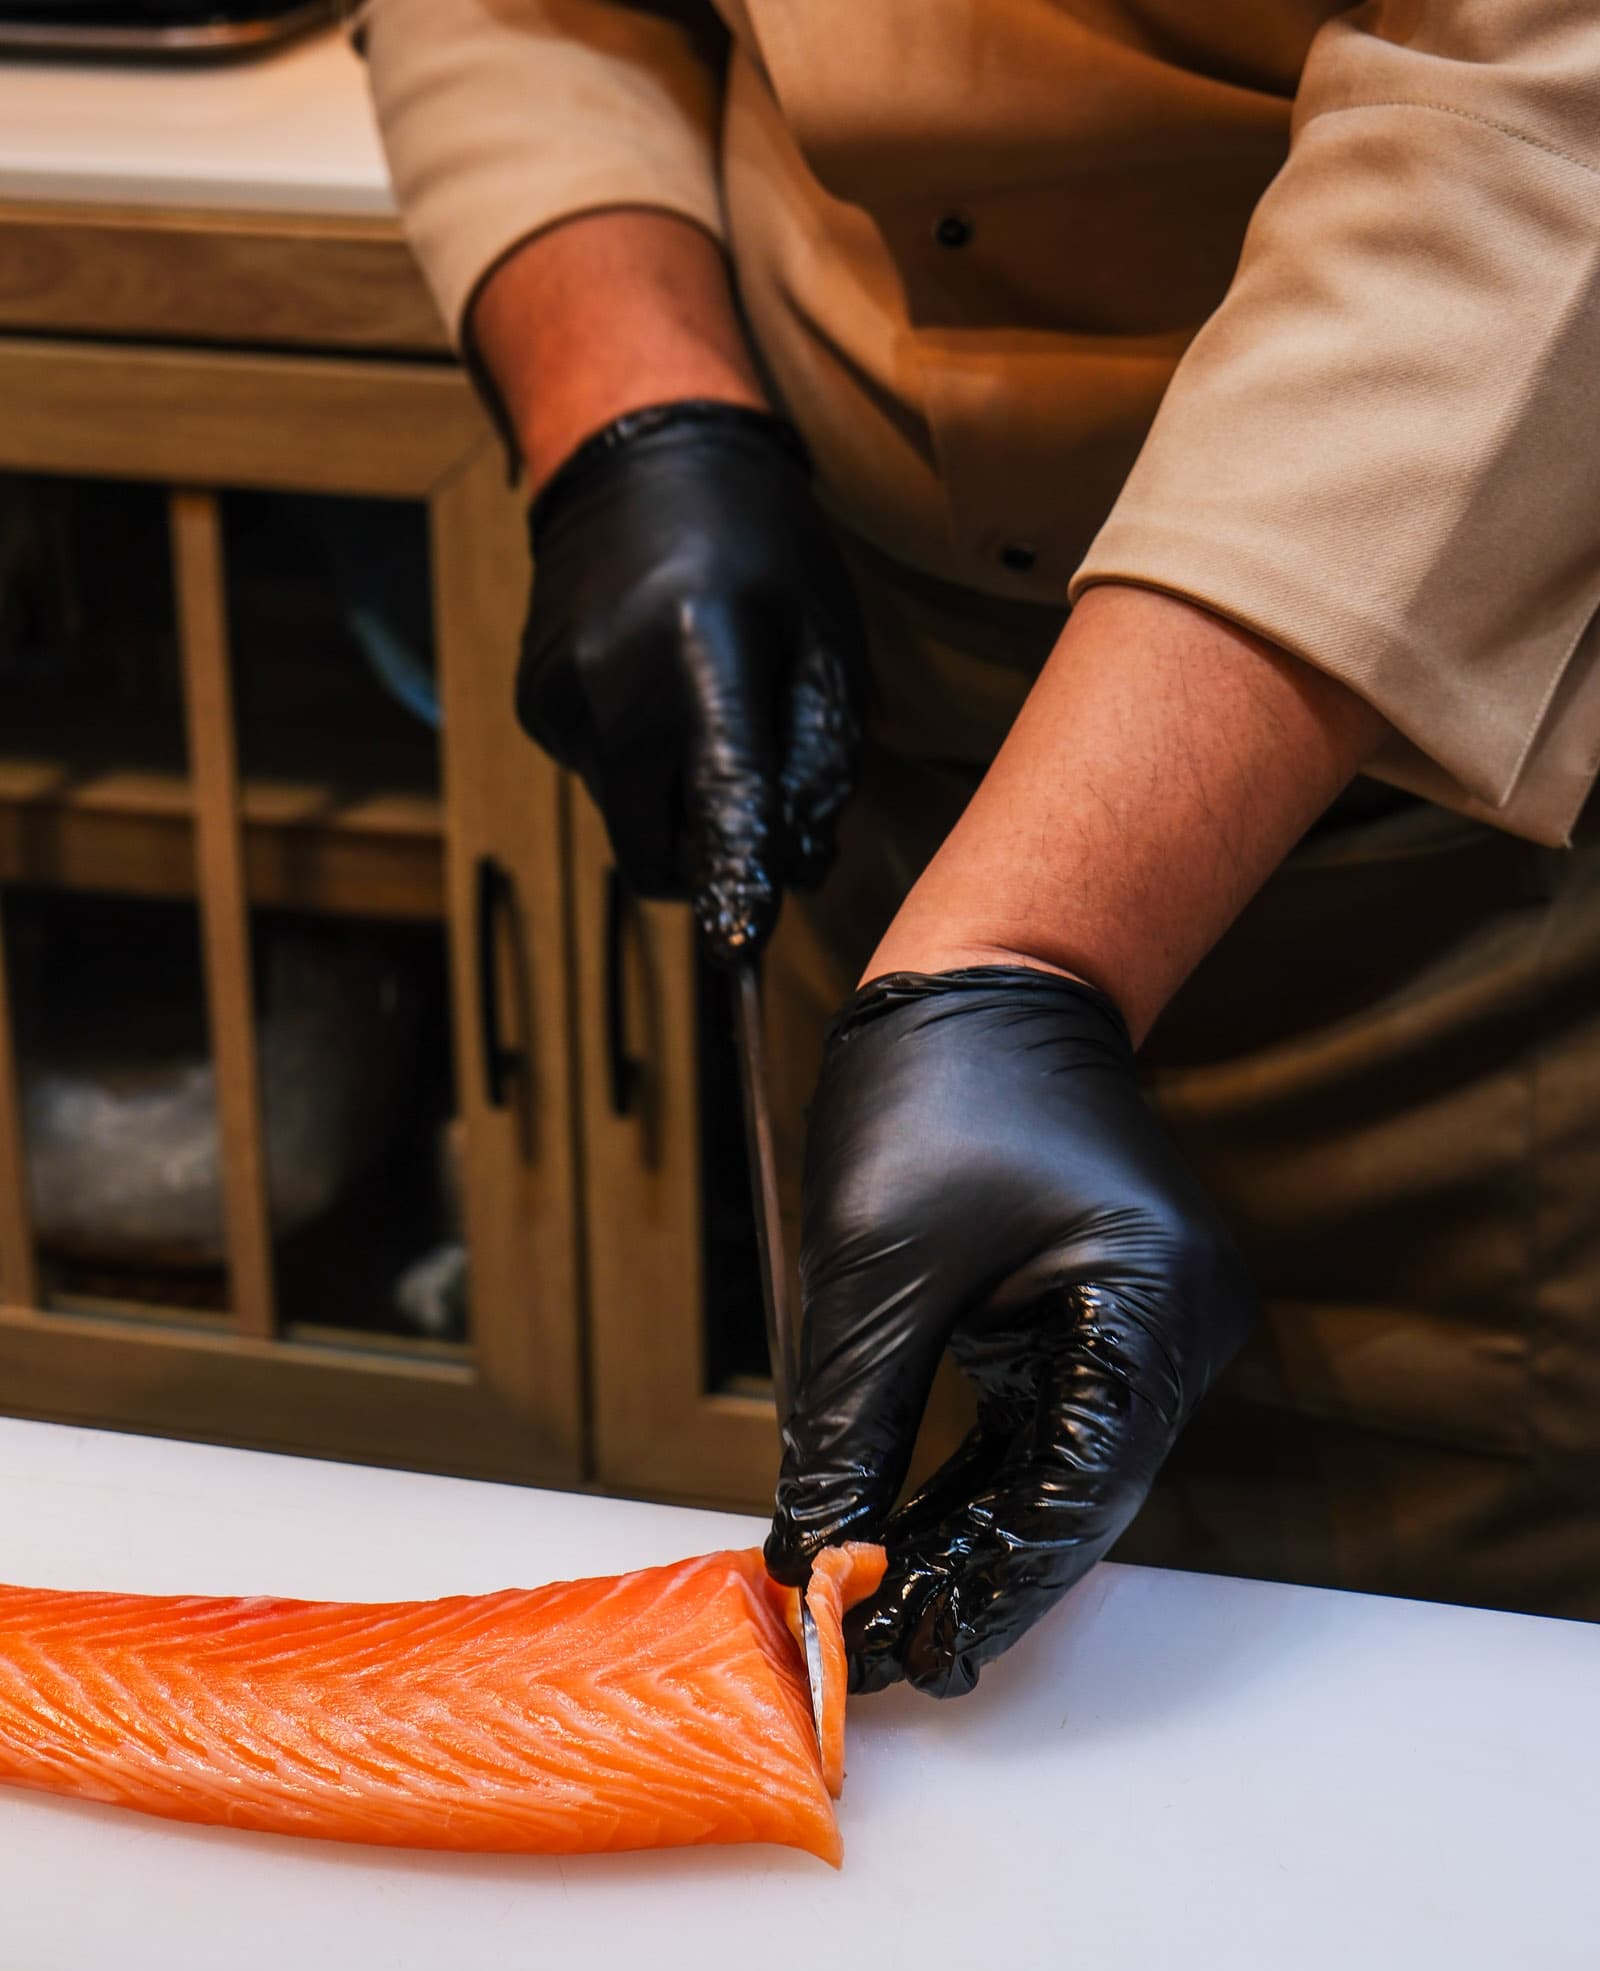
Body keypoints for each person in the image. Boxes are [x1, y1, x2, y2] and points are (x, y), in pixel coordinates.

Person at [362, 0, 1600, 1696]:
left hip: (1470, 815)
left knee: (1421, 1728)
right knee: (955, 1634)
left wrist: (1035, 940)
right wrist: (639, 413)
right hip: (880, 764)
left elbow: (1539, 108)